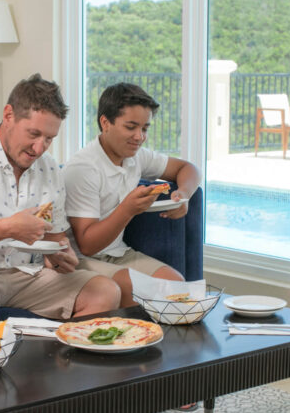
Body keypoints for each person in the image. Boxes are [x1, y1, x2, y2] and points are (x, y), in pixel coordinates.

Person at [0, 73, 121, 326]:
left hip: (26, 274)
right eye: (33, 134)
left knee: (105, 291)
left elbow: (54, 239)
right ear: (8, 115)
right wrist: (6, 229)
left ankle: (60, 363)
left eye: (49, 138)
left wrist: (63, 256)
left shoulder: (49, 169)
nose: (39, 148)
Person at [64, 82, 201, 308]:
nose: (139, 137)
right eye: (130, 127)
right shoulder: (83, 168)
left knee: (177, 288)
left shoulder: (136, 156)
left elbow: (189, 168)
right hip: (81, 260)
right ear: (105, 123)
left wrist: (182, 194)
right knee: (142, 292)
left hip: (119, 253)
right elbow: (87, 245)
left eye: (145, 128)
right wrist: (127, 209)